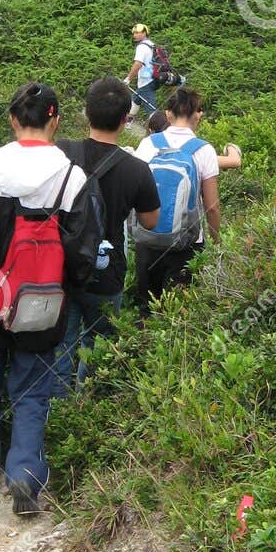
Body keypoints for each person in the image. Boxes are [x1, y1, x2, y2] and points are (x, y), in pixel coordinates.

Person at [0, 81, 100, 516]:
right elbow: (83, 251)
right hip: (44, 302)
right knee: (33, 390)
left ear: (14, 121)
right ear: (55, 120)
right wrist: (65, 288)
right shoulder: (72, 177)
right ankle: (25, 476)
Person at [55, 77, 160, 390]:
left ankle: (58, 412)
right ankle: (89, 403)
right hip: (107, 271)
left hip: (63, 268)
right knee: (99, 348)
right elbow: (151, 221)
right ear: (126, 119)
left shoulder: (61, 152)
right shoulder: (137, 169)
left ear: (86, 113)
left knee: (61, 345)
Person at [132, 86, 222, 315]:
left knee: (147, 309)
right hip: (186, 244)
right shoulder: (204, 150)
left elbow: (135, 191)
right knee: (178, 313)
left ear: (168, 114)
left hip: (147, 239)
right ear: (197, 115)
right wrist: (218, 243)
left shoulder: (148, 144)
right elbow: (212, 207)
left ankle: (139, 346)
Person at [147, 105, 243, 171]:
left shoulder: (148, 146)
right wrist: (230, 146)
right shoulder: (197, 151)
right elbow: (235, 161)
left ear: (151, 131)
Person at [124, 23, 161, 116]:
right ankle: (128, 122)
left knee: (151, 111)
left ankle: (158, 127)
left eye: (137, 33)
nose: (134, 35)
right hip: (155, 78)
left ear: (144, 33)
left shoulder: (141, 47)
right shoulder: (152, 45)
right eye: (134, 33)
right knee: (136, 98)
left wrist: (128, 79)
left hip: (146, 80)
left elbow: (137, 64)